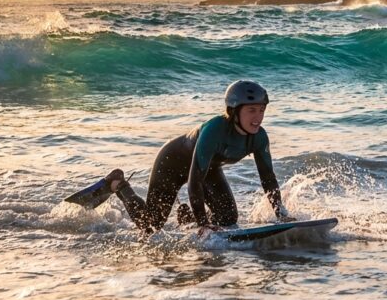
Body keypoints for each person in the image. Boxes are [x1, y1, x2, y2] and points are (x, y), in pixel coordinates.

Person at [105, 80, 293, 233]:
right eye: (251, 110)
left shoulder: (259, 137)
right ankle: (118, 184)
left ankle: (187, 219)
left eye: (261, 110)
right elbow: (194, 181)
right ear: (234, 111)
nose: (258, 117)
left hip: (207, 168)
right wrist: (204, 224)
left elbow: (268, 178)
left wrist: (280, 213)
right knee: (151, 225)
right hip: (172, 164)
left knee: (227, 218)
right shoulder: (214, 130)